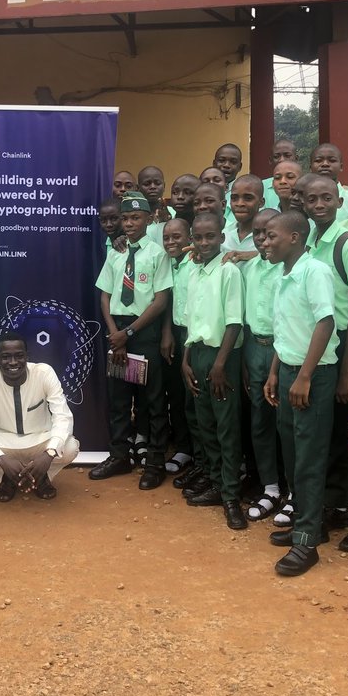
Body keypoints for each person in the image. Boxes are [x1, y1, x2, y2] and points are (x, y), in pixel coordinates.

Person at [261, 209, 338, 575]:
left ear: (294, 237)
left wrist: (304, 376)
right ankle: (309, 522)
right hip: (290, 371)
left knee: (309, 458)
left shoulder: (315, 271)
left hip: (314, 375)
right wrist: (276, 372)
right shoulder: (283, 274)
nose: (265, 241)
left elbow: (326, 322)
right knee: (292, 453)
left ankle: (307, 542)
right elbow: (286, 329)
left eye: (271, 235)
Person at [90, 192, 172, 488]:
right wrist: (115, 334)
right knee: (119, 398)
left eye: (135, 218)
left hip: (143, 332)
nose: (128, 223)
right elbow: (105, 296)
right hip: (118, 334)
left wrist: (129, 333)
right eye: (125, 218)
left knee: (152, 402)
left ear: (148, 220)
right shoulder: (116, 253)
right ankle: (120, 456)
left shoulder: (157, 254)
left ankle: (155, 462)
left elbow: (161, 300)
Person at [301, 176, 348, 538]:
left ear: (340, 202)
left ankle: (341, 506)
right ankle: (330, 501)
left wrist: (347, 372)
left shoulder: (347, 244)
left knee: (344, 426)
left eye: (327, 198)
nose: (319, 205)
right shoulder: (310, 240)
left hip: (345, 342)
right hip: (320, 340)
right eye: (312, 199)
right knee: (326, 428)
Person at [181, 211, 246, 530]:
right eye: (198, 237)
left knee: (226, 428)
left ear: (222, 237)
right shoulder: (193, 273)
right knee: (205, 424)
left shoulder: (229, 270)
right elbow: (193, 322)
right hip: (198, 354)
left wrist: (221, 364)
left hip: (223, 358)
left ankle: (232, 496)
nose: (204, 242)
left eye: (210, 237)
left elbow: (234, 321)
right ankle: (217, 484)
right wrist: (185, 359)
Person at [0, 333, 80, 500]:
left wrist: (49, 453)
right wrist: (1, 459)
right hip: (4, 442)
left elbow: (63, 416)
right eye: (6, 357)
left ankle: (42, 476)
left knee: (69, 448)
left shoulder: (43, 373)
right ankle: (6, 478)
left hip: (39, 440)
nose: (13, 362)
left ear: (27, 356)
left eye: (19, 356)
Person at [239, 208, 283, 521]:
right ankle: (270, 488)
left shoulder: (290, 270)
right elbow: (242, 319)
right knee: (260, 422)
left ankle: (293, 490)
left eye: (269, 233)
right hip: (254, 348)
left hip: (283, 351)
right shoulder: (249, 268)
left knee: (289, 427)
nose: (262, 240)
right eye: (257, 233)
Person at [160, 218, 196, 477]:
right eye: (167, 238)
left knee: (195, 396)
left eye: (177, 237)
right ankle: (184, 448)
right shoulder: (169, 265)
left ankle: (200, 454)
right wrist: (167, 333)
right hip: (176, 333)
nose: (171, 242)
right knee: (177, 394)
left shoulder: (195, 264)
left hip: (195, 335)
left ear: (189, 238)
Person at [311, 143, 348, 217]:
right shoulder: (303, 200)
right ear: (310, 167)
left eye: (332, 160)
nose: (325, 164)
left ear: (341, 166)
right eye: (318, 160)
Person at [222, 175, 264, 259]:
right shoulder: (224, 234)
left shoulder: (269, 237)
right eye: (234, 198)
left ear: (261, 203)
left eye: (248, 198)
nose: (240, 204)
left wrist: (256, 255)